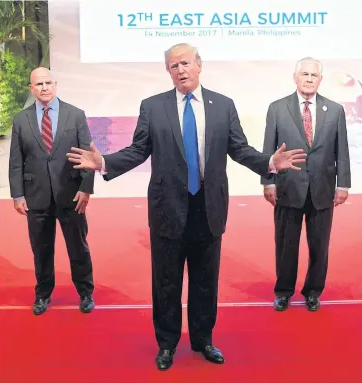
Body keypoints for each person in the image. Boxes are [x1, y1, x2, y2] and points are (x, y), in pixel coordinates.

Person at [67, 43, 306, 370]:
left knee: (206, 279)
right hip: (168, 208)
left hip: (209, 208)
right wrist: (104, 162)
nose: (179, 70)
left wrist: (270, 163)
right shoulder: (153, 107)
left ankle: (203, 339)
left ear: (199, 65)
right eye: (172, 66)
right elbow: (139, 150)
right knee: (165, 281)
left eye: (184, 63)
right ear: (168, 72)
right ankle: (166, 344)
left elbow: (239, 149)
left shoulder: (223, 105)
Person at [261, 57, 351, 312]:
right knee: (286, 244)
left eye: (314, 75)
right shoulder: (277, 108)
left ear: (320, 80)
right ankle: (283, 291)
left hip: (322, 189)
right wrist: (268, 182)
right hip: (288, 187)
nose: (309, 79)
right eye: (305, 74)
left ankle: (313, 291)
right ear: (295, 77)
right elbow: (269, 148)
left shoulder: (335, 110)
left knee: (319, 245)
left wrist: (342, 184)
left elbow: (341, 150)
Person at [9, 67, 95, 315]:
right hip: (36, 197)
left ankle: (86, 292)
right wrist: (17, 194)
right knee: (41, 249)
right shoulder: (21, 119)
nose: (44, 87)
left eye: (48, 82)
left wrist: (85, 189)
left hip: (71, 194)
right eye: (39, 84)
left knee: (78, 247)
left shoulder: (76, 115)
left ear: (55, 84)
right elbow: (16, 161)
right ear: (31, 88)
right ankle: (43, 294)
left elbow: (87, 155)